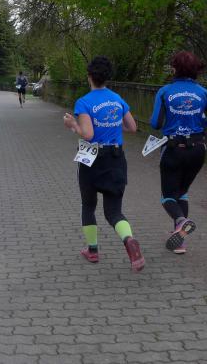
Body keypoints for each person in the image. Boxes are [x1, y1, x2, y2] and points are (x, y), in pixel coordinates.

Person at [62, 56, 145, 272]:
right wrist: (113, 126)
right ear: (107, 77)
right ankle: (128, 240)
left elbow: (88, 134)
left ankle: (92, 250)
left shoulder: (84, 102)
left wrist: (72, 125)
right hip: (116, 158)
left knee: (88, 205)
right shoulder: (118, 99)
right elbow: (132, 127)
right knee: (114, 212)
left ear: (89, 76)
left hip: (92, 158)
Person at [150, 51, 207, 254]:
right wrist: (202, 121)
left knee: (168, 197)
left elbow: (155, 123)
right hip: (198, 150)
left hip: (173, 149)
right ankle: (180, 242)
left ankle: (181, 221)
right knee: (182, 192)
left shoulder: (165, 92)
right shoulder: (204, 93)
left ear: (174, 68)